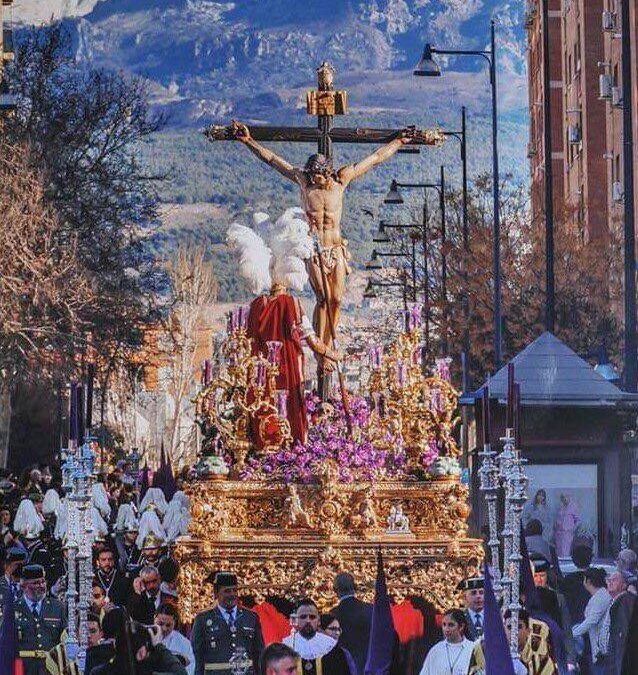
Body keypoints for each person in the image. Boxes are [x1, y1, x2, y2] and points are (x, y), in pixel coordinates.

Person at [229, 112, 416, 377]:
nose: (315, 179)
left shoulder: (341, 180)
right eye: (312, 176)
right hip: (315, 249)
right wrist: (248, 141)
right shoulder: (303, 182)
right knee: (323, 299)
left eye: (319, 176)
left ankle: (326, 345)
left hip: (337, 248)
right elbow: (272, 160)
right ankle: (321, 352)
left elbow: (373, 159)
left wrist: (398, 143)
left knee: (337, 300)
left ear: (327, 172)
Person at [191, 571, 264, 675]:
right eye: (227, 591)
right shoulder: (203, 619)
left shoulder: (251, 617)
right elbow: (198, 658)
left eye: (235, 590)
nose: (232, 595)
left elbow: (259, 654)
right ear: (216, 593)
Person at [14, 563, 66, 675]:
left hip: (50, 668)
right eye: (36, 583)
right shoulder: (12, 609)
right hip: (22, 668)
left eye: (43, 581)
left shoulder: (58, 607)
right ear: (23, 586)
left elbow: (65, 641)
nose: (42, 586)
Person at [92, 619, 187, 675]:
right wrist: (158, 646)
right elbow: (180, 673)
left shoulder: (97, 672)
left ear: (115, 644)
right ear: (141, 653)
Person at [283, 598, 351, 674]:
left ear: (318, 621)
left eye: (312, 617)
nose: (308, 621)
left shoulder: (332, 647)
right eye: (303, 617)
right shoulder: (285, 648)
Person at [329, 572, 372, 675]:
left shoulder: (333, 615)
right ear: (355, 587)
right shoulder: (371, 610)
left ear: (335, 591)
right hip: (369, 667)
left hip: (345, 668)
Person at [572, 567, 612, 674]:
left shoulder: (602, 597)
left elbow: (591, 620)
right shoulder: (598, 596)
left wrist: (572, 634)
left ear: (588, 581)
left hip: (601, 650)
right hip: (595, 647)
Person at [600, 571, 635, 675]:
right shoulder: (615, 601)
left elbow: (623, 635)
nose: (610, 582)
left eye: (614, 580)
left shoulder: (626, 602)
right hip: (610, 659)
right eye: (608, 580)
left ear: (624, 585)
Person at [419, 608, 474, 675]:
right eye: (444, 625)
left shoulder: (472, 649)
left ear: (461, 626)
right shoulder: (436, 650)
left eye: (451, 625)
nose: (446, 629)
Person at [504, 609, 559, 675]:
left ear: (528, 631)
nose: (514, 633)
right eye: (510, 627)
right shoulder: (497, 651)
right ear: (504, 630)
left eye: (519, 627)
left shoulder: (540, 652)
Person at [155, 603, 195, 675]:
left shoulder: (184, 643)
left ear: (174, 623)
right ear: (154, 619)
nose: (164, 628)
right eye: (160, 624)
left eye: (168, 625)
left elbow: (191, 668)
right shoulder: (144, 636)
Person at [553, 493, 581, 558]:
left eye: (566, 497)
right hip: (559, 533)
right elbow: (558, 518)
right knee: (559, 552)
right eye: (563, 498)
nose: (565, 499)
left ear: (569, 497)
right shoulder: (561, 507)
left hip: (568, 533)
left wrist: (572, 529)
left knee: (566, 552)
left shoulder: (573, 507)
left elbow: (578, 520)